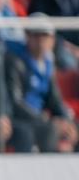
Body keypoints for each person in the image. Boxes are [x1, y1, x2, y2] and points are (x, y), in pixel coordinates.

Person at [5, 18, 78, 153]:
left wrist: (67, 120)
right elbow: (15, 102)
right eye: (36, 35)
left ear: (52, 40)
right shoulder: (16, 62)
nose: (40, 41)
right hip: (23, 119)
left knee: (73, 128)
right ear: (28, 37)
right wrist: (44, 120)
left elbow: (54, 99)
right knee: (47, 130)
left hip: (41, 118)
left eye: (45, 36)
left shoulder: (48, 65)